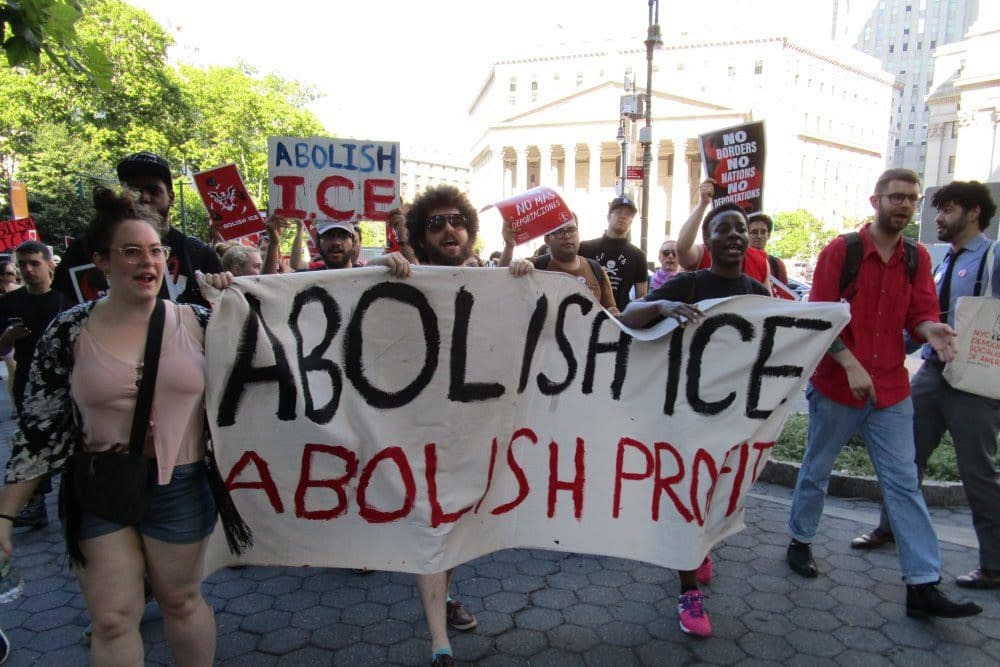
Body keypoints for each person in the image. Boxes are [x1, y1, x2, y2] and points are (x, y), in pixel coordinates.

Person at [0, 188, 240, 665]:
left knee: (181, 602)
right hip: (100, 488)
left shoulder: (199, 320)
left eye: (156, 250)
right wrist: (5, 517)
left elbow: (281, 355)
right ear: (101, 262)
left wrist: (236, 305)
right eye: (131, 251)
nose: (147, 261)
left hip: (182, 485)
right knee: (111, 619)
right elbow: (39, 430)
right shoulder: (68, 331)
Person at [785, 168, 982, 619]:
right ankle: (800, 540)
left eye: (912, 199)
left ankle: (923, 585)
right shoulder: (842, 251)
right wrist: (850, 363)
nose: (905, 205)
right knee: (817, 468)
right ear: (875, 201)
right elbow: (819, 316)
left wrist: (931, 329)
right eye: (896, 197)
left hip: (891, 389)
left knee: (904, 485)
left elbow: (921, 313)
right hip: (838, 386)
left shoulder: (917, 258)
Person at [618, 203, 769, 638]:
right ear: (709, 240)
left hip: (732, 414)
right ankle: (688, 590)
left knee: (714, 494)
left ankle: (700, 547)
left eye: (741, 229)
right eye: (724, 229)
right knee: (684, 498)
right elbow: (626, 319)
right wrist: (662, 305)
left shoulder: (757, 293)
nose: (736, 236)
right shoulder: (688, 284)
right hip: (682, 414)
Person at [402, 184, 534, 667]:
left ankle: (443, 599)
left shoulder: (494, 281)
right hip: (415, 430)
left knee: (452, 525)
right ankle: (439, 640)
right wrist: (383, 270)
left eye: (457, 220)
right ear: (419, 235)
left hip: (473, 430)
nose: (449, 229)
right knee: (431, 525)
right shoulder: (404, 278)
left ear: (470, 230)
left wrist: (518, 273)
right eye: (435, 223)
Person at [850, 180, 1000, 589]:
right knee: (904, 459)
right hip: (933, 374)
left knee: (978, 472)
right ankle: (889, 528)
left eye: (947, 209)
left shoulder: (993, 256)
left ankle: (994, 565)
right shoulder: (938, 262)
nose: (936, 217)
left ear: (972, 213)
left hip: (975, 380)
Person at [54, 151, 223, 309]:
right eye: (134, 189)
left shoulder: (197, 254)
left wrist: (220, 289)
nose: (144, 197)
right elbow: (61, 305)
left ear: (170, 197)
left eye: (153, 190)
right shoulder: (85, 247)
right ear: (101, 260)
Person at [0, 241, 66, 528]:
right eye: (22, 264)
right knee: (33, 440)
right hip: (31, 381)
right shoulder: (9, 304)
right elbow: (1, 350)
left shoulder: (66, 298)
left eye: (34, 263)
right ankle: (35, 505)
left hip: (69, 377)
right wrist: (9, 337)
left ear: (50, 264)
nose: (27, 269)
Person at [503, 215, 617, 312]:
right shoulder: (532, 267)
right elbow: (499, 287)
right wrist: (509, 247)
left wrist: (614, 316)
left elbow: (611, 315)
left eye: (572, 230)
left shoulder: (597, 270)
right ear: (547, 240)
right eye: (559, 231)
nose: (567, 236)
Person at [675, 180, 771, 285]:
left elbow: (766, 301)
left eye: (741, 229)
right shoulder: (702, 255)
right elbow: (682, 249)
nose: (734, 234)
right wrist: (703, 204)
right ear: (707, 239)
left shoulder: (761, 262)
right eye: (723, 230)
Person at [578, 195, 648, 310]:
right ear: (608, 217)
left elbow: (642, 298)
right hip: (587, 314)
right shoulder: (585, 248)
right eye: (618, 212)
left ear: (632, 221)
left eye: (628, 214)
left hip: (619, 319)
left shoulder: (638, 256)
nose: (623, 217)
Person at [747, 212, 788, 285]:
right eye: (754, 232)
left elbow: (783, 293)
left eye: (763, 232)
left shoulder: (777, 265)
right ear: (746, 235)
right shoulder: (739, 263)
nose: (759, 236)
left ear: (768, 235)